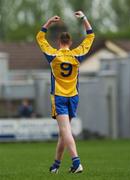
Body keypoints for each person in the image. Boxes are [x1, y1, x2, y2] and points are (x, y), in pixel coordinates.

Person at [36, 11, 95, 174]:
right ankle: (56, 165)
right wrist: (84, 18)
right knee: (64, 132)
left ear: (58, 41)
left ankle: (77, 162)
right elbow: (90, 36)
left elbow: (40, 38)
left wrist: (48, 22)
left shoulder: (53, 55)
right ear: (71, 42)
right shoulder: (77, 54)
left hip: (59, 96)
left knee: (65, 130)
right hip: (74, 96)